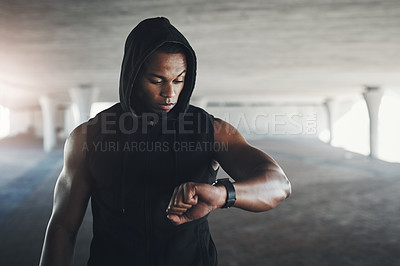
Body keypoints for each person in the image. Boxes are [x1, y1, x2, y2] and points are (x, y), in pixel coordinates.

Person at [39, 17, 291, 266]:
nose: (169, 93)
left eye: (178, 80)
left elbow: (278, 185)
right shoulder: (88, 136)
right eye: (157, 80)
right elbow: (62, 226)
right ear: (133, 76)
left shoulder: (212, 130)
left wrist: (223, 194)